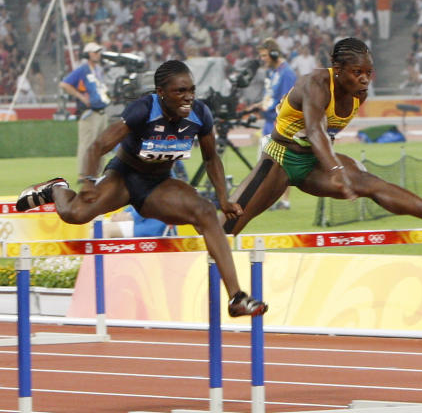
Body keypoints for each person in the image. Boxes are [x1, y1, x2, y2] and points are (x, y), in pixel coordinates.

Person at [16, 60, 267, 318]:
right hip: (123, 178)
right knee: (74, 214)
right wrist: (89, 180)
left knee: (205, 212)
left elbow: (212, 158)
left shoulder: (199, 114)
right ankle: (56, 188)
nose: (188, 97)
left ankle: (236, 297)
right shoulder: (144, 109)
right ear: (161, 91)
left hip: (159, 185)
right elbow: (98, 145)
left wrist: (224, 200)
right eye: (180, 91)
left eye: (191, 90)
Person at [222, 38, 422, 236]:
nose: (365, 79)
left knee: (371, 183)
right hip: (280, 159)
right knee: (228, 224)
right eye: (357, 72)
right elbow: (316, 130)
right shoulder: (315, 83)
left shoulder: (360, 93)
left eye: (369, 72)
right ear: (338, 70)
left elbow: (324, 136)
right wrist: (336, 171)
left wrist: (341, 170)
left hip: (314, 164)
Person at [253, 38, 298, 210]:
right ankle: (273, 199)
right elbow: (270, 96)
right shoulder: (272, 73)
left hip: (279, 124)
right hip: (268, 122)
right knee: (269, 164)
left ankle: (282, 201)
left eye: (264, 55)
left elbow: (287, 100)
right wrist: (260, 106)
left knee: (278, 164)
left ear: (273, 54)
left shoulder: (286, 73)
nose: (262, 59)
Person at [60, 42, 112, 176]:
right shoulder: (83, 69)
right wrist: (81, 97)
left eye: (98, 52)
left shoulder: (98, 70)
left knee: (101, 144)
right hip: (89, 113)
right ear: (87, 54)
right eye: (95, 52)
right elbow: (64, 84)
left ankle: (98, 173)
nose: (98, 54)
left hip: (101, 111)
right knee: (87, 144)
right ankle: (83, 174)